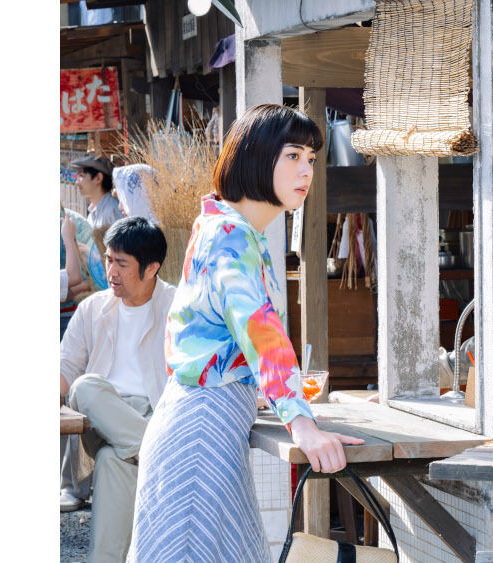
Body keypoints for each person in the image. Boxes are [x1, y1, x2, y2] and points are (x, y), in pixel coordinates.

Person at [129, 104, 364, 561]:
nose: (306, 170)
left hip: (197, 422)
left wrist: (248, 388)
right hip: (202, 432)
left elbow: (196, 335)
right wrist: (301, 423)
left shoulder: (221, 226)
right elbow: (261, 332)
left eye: (311, 159)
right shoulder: (231, 235)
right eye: (292, 155)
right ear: (256, 156)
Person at [59, 216, 175, 561]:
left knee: (112, 460)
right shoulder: (92, 308)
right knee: (85, 386)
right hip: (100, 417)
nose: (111, 271)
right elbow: (64, 373)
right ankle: (159, 456)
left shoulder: (177, 307)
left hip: (154, 417)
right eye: (109, 260)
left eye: (122, 264)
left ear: (151, 268)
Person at [70, 154, 123, 231]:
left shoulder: (112, 210)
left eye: (81, 176)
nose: (76, 182)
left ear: (98, 178)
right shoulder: (93, 212)